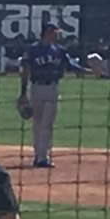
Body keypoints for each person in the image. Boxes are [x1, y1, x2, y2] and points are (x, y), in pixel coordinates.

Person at [18, 21, 85, 168]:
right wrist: (23, 93)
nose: (57, 34)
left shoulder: (59, 50)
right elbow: (25, 70)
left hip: (52, 89)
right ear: (47, 32)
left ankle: (42, 157)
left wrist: (85, 70)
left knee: (47, 124)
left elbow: (69, 65)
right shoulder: (33, 50)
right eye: (55, 32)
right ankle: (38, 155)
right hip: (36, 88)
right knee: (37, 123)